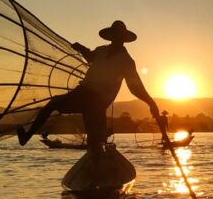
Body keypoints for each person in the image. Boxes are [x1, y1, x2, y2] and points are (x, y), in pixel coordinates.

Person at [17, 20, 161, 152]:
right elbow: (91, 56)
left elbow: (135, 87)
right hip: (83, 94)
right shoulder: (101, 51)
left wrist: (151, 103)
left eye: (119, 36)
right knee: (53, 104)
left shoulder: (126, 61)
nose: (116, 39)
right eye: (114, 36)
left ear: (123, 39)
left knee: (95, 139)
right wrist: (80, 48)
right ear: (111, 37)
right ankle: (27, 135)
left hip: (98, 101)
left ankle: (98, 159)